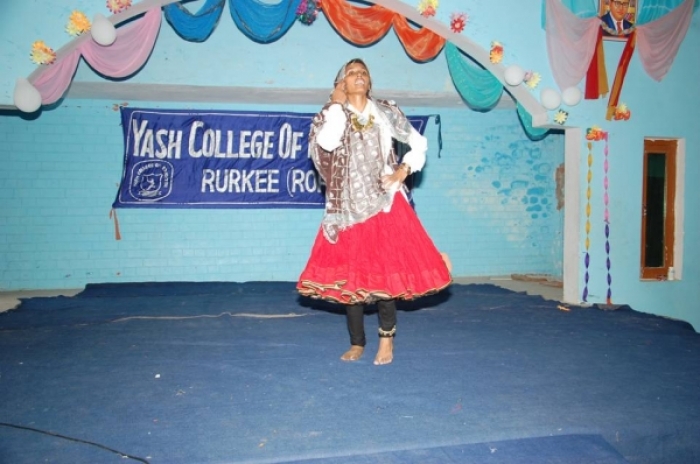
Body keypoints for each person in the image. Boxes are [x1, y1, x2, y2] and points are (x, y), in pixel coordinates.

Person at [297, 58, 452, 366]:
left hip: (385, 205)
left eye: (364, 73)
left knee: (385, 276)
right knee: (351, 278)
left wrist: (403, 170)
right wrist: (336, 105)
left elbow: (419, 142)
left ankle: (386, 340)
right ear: (341, 83)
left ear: (369, 82)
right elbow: (327, 143)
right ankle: (357, 342)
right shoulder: (330, 115)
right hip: (347, 208)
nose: (359, 76)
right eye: (352, 73)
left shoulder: (385, 112)